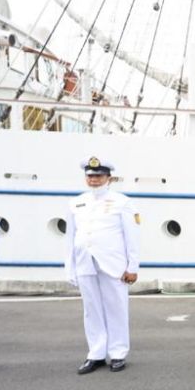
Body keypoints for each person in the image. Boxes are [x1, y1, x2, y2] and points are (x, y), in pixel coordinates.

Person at [66, 158, 141, 374]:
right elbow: (71, 238)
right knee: (91, 310)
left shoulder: (122, 202)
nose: (94, 180)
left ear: (109, 178)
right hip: (85, 263)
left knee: (116, 308)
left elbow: (131, 237)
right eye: (90, 176)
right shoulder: (76, 203)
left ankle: (117, 353)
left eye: (98, 176)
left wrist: (132, 267)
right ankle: (96, 353)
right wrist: (70, 267)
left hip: (113, 264)